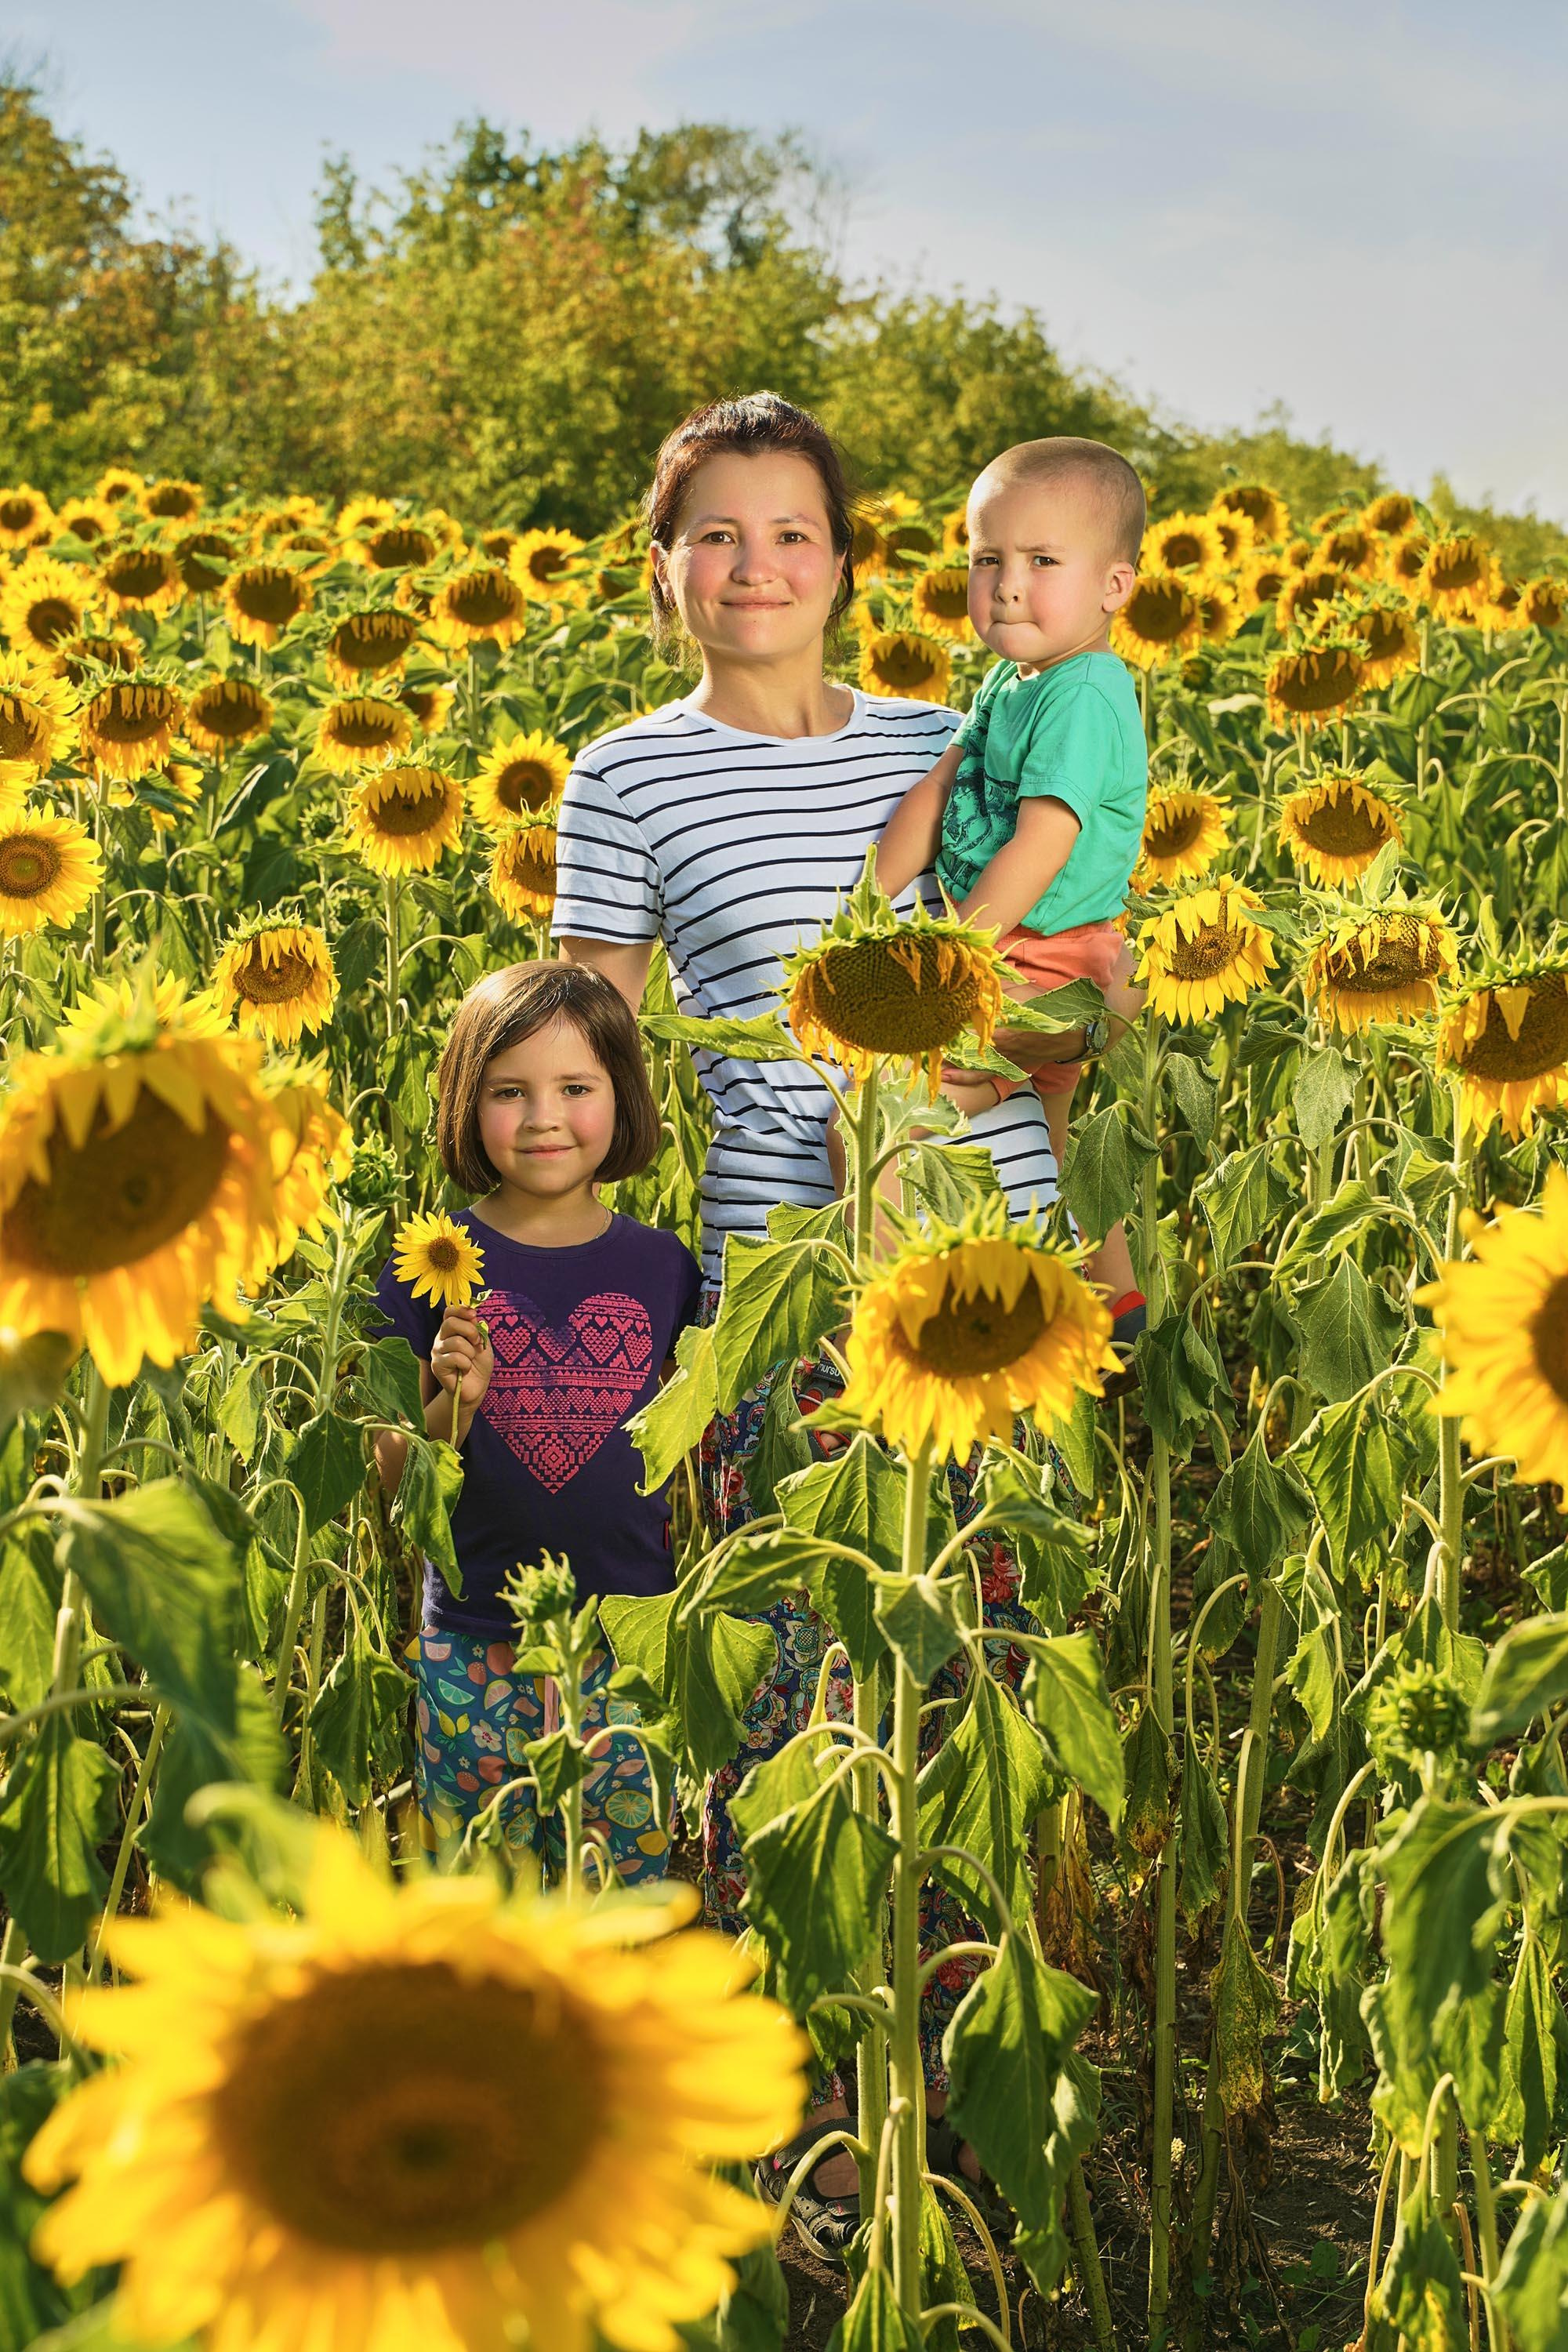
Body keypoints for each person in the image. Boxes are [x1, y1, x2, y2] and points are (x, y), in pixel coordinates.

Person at [553, 392, 1104, 2249]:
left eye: (789, 530)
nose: (754, 566)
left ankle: (943, 2115)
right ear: (663, 569)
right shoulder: (624, 774)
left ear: (847, 565)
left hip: (988, 1277)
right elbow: (586, 1055)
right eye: (714, 532)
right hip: (773, 1292)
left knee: (966, 1692)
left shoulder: (950, 736)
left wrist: (982, 1061)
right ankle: (800, 2132)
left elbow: (1082, 993)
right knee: (790, 1712)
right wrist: (551, 1317)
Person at [372, 960, 701, 1881]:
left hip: (626, 1635)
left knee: (623, 1884)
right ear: (465, 1106)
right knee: (481, 1891)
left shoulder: (664, 1268)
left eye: (575, 1088)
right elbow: (392, 1473)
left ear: (622, 1100)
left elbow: (685, 1435)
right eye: (508, 1091)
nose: (544, 1117)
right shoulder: (429, 1260)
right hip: (475, 1636)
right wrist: (451, 1408)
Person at [876, 437, 1149, 1346]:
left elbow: (1044, 839)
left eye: (1041, 561)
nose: (1006, 584)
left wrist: (957, 953)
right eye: (986, 558)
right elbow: (940, 785)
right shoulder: (1012, 678)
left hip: (1044, 951)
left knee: (917, 1104)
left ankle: (908, 1288)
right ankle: (1110, 1294)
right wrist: (866, 900)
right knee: (1059, 1139)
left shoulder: (1085, 691)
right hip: (1017, 943)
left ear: (1113, 587)